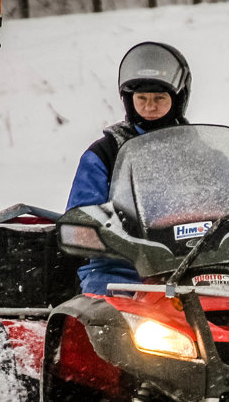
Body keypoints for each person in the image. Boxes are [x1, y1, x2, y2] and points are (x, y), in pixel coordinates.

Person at [66, 42, 192, 295]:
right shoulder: (104, 153)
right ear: (128, 100)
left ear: (178, 100)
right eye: (141, 98)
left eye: (159, 98)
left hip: (191, 264)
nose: (149, 106)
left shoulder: (198, 150)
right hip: (120, 269)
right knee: (107, 318)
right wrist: (111, 225)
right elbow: (80, 214)